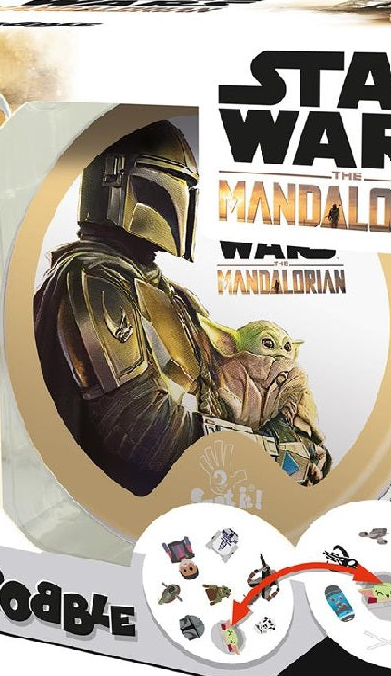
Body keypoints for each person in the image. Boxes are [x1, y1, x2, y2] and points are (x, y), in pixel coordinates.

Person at [34, 120, 328, 496]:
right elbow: (143, 430)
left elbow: (221, 401)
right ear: (120, 181)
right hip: (110, 501)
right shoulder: (91, 280)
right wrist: (272, 456)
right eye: (171, 181)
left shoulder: (177, 298)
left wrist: (294, 439)